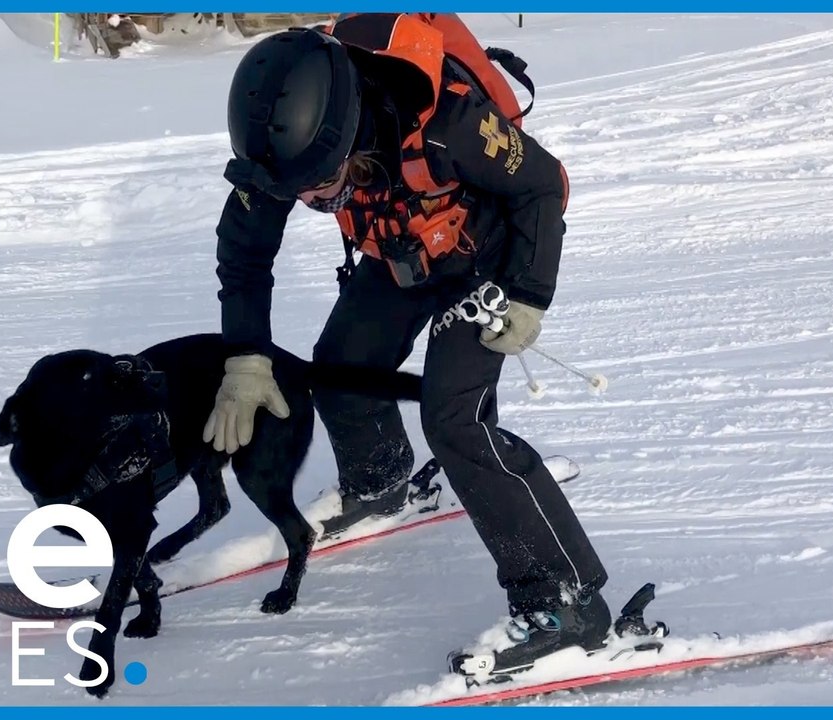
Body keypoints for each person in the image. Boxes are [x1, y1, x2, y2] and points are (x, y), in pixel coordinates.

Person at [200, 13, 612, 670]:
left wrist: (529, 295)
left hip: (488, 258)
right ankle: (382, 483)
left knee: (455, 420)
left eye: (317, 188)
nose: (304, 200)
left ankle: (566, 604)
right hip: (402, 252)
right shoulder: (280, 148)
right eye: (296, 192)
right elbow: (244, 258)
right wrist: (246, 358)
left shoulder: (448, 120)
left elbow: (542, 183)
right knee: (340, 367)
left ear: (348, 136)